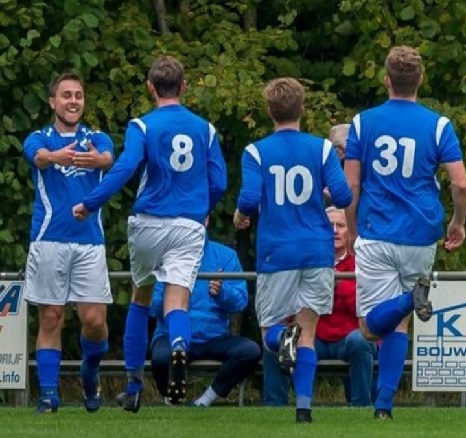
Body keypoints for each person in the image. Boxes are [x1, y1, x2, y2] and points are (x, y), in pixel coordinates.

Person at [73, 55, 228, 413]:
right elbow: (219, 181)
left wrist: (91, 202)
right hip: (189, 224)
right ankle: (178, 344)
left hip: (149, 222)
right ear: (184, 87)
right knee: (177, 302)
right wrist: (203, 209)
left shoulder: (142, 125)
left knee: (142, 296)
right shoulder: (205, 129)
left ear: (150, 88)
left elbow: (126, 165)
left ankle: (133, 385)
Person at [343, 45, 466, 420]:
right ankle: (383, 406)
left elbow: (351, 185)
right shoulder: (438, 124)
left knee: (369, 327)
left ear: (387, 80)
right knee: (399, 324)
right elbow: (460, 184)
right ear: (421, 80)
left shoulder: (363, 123)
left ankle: (407, 300)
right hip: (420, 233)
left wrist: (351, 228)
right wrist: (458, 222)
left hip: (377, 230)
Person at [233, 77, 352, 423]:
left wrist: (241, 215)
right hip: (316, 250)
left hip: (277, 251)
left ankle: (281, 338)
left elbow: (251, 199)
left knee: (271, 326)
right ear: (302, 109)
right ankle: (303, 408)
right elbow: (343, 197)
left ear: (270, 112)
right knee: (309, 332)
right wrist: (323, 196)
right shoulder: (322, 149)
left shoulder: (256, 151)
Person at [22, 72, 114, 413]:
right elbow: (38, 156)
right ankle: (49, 394)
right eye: (66, 95)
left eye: (78, 95)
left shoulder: (97, 138)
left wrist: (96, 160)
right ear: (53, 102)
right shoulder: (39, 137)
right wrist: (55, 156)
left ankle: (90, 372)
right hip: (49, 240)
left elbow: (108, 159)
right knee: (51, 317)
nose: (73, 101)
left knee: (93, 321)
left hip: (90, 242)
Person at [263, 206, 377, 407]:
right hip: (312, 336)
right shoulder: (304, 259)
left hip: (348, 335)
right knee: (276, 341)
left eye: (340, 226)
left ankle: (361, 406)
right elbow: (289, 299)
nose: (334, 230)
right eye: (328, 225)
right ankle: (274, 406)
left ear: (349, 230)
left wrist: (336, 287)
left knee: (361, 341)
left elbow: (365, 302)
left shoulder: (362, 261)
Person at [149, 222, 261, 406]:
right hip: (170, 336)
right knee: (161, 359)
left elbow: (240, 302)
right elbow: (153, 308)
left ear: (207, 220)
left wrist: (222, 293)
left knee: (249, 351)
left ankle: (204, 400)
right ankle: (171, 401)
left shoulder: (226, 256)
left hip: (213, 338)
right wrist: (171, 294)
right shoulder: (166, 256)